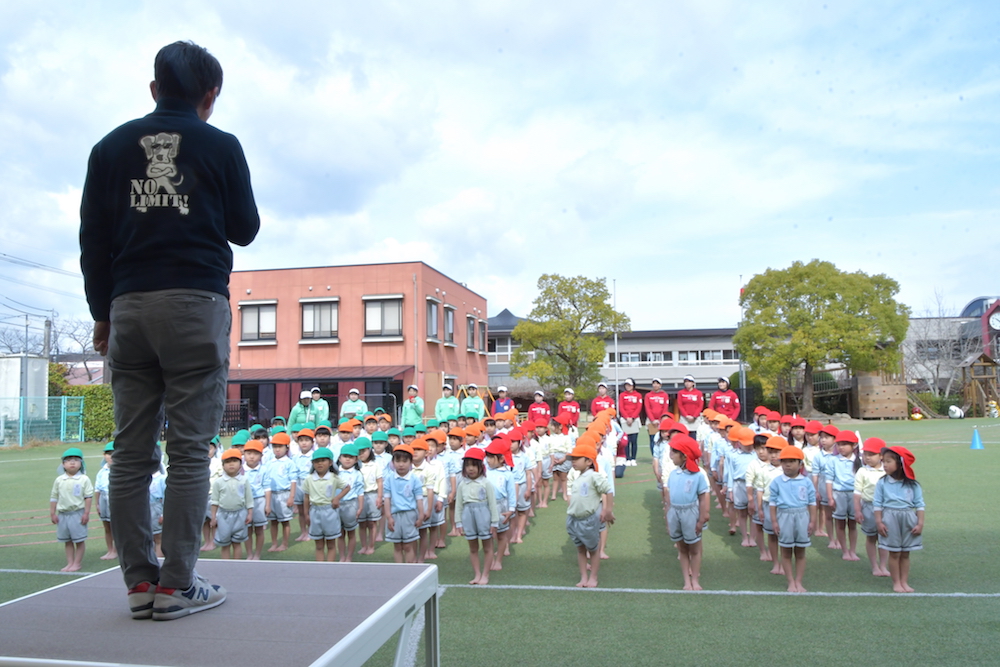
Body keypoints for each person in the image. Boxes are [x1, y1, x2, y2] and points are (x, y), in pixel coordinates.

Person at [80, 41, 260, 620]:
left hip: (129, 306)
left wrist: (102, 313)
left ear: (155, 89)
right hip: (194, 304)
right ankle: (177, 584)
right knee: (187, 452)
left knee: (130, 453)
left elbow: (92, 241)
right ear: (211, 95)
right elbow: (245, 229)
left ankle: (139, 582)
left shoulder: (109, 148)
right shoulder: (221, 145)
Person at [874, 446, 924, 593]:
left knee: (905, 553)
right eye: (883, 461)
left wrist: (920, 523)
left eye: (888, 461)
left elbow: (920, 504)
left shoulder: (913, 484)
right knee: (894, 552)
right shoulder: (882, 483)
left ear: (900, 463)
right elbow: (877, 503)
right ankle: (896, 582)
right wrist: (879, 522)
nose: (884, 465)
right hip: (890, 518)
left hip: (908, 518)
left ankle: (904, 581)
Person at [663, 435, 710, 591]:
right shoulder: (673, 474)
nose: (671, 455)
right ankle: (686, 581)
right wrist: (668, 519)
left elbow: (703, 498)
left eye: (674, 452)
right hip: (675, 513)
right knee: (682, 548)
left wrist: (702, 519)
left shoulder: (698, 475)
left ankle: (695, 579)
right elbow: (668, 500)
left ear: (684, 456)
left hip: (690, 513)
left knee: (694, 549)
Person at [769, 446, 816, 593]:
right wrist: (774, 521)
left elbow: (812, 502)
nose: (787, 465)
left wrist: (812, 521)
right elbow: (772, 503)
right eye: (784, 461)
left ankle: (799, 581)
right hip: (784, 516)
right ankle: (790, 581)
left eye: (791, 461)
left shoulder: (806, 482)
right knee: (786, 551)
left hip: (802, 516)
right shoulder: (777, 482)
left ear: (800, 464)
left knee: (800, 551)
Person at [566, 443, 613, 588]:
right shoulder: (577, 476)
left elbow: (608, 490)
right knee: (580, 549)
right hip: (574, 518)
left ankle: (593, 577)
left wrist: (608, 510)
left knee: (593, 549)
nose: (573, 461)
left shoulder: (594, 476)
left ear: (588, 461)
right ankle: (583, 577)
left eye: (577, 458)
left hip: (588, 519)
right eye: (572, 459)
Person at [454, 448, 499, 585]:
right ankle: (477, 574)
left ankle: (485, 574)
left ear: (481, 466)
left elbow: (492, 504)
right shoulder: (462, 484)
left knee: (487, 547)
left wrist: (494, 522)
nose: (470, 468)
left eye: (474, 465)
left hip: (483, 515)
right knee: (473, 548)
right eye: (467, 465)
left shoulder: (486, 483)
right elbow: (459, 504)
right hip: (468, 515)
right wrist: (458, 522)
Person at [50, 448, 93, 573]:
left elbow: (88, 497)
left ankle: (77, 563)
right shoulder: (59, 480)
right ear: (63, 464)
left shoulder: (84, 479)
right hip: (63, 514)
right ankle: (70, 562)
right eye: (68, 460)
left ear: (81, 463)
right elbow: (54, 496)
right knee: (67, 540)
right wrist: (52, 513)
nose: (72, 463)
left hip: (77, 513)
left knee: (79, 540)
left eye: (75, 460)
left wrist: (86, 513)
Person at [301, 447, 348, 562]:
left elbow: (347, 487)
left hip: (330, 511)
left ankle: (329, 567)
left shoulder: (333, 477)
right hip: (315, 511)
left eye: (323, 460)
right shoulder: (309, 479)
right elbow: (306, 497)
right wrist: (306, 514)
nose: (320, 463)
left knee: (331, 544)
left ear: (330, 462)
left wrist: (337, 498)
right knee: (319, 545)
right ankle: (320, 568)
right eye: (317, 461)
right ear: (313, 463)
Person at [383, 444, 425, 563]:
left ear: (410, 462)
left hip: (409, 515)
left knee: (408, 545)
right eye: (398, 461)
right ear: (393, 462)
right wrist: (389, 517)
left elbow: (419, 499)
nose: (401, 464)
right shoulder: (389, 478)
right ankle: (399, 569)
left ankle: (409, 569)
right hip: (395, 515)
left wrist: (421, 516)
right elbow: (387, 499)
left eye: (404, 461)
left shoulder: (414, 479)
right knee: (397, 546)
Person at [209, 449, 252, 560]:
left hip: (240, 514)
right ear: (223, 465)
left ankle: (236, 566)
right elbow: (214, 501)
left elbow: (249, 499)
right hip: (223, 515)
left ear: (240, 464)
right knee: (225, 543)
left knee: (237, 542)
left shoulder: (244, 480)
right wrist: (213, 517)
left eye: (234, 461)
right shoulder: (219, 482)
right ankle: (225, 566)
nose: (231, 464)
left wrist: (250, 513)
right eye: (228, 462)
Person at [855, 437, 889, 577]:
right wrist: (857, 510)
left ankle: (883, 566)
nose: (867, 457)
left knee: (884, 537)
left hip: (885, 508)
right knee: (871, 537)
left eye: (871, 454)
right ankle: (874, 566)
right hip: (869, 507)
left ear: (881, 456)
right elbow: (857, 493)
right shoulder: (862, 471)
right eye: (866, 454)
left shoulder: (887, 471)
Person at [827, 430, 862, 562]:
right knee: (840, 523)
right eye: (839, 444)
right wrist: (830, 497)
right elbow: (829, 480)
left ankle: (852, 550)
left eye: (845, 444)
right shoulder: (833, 460)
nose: (841, 447)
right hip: (839, 494)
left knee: (852, 524)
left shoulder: (859, 461)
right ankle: (845, 551)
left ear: (854, 445)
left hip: (854, 495)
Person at [335, 444, 365, 562]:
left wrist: (360, 507)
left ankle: (349, 557)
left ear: (356, 459)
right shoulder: (335, 473)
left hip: (351, 504)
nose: (348, 459)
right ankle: (342, 556)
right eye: (345, 456)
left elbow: (360, 492)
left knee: (351, 533)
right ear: (340, 458)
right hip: (337, 505)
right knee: (340, 533)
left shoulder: (357, 474)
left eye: (351, 457)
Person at [242, 441, 270, 560]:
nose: (252, 457)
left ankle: (257, 554)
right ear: (244, 455)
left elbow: (267, 488)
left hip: (259, 501)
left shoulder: (264, 470)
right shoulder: (241, 470)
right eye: (249, 453)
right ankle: (249, 554)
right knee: (247, 530)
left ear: (261, 456)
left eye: (255, 453)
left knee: (259, 530)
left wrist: (267, 505)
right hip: (244, 503)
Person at [94, 442, 117, 561]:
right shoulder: (102, 472)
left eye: (114, 453)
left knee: (117, 527)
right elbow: (97, 489)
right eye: (109, 454)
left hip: (116, 499)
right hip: (104, 498)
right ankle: (110, 550)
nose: (111, 456)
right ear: (104, 455)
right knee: (107, 527)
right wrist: (97, 504)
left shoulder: (121, 470)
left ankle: (117, 550)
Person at [618, 378, 643, 466]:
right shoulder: (622, 395)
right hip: (625, 420)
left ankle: (633, 458)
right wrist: (627, 417)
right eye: (626, 385)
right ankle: (627, 458)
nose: (627, 386)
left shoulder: (638, 395)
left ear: (633, 385)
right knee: (626, 440)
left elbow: (638, 407)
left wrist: (632, 417)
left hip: (635, 420)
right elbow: (621, 407)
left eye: (629, 385)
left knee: (634, 440)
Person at [644, 379, 670, 455]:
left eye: (657, 383)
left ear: (660, 385)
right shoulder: (648, 395)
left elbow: (665, 408)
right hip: (651, 420)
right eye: (654, 383)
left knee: (663, 438)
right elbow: (647, 408)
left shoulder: (664, 395)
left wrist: (660, 419)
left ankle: (663, 455)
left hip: (662, 420)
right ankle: (654, 456)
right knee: (653, 439)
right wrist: (652, 420)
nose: (655, 385)